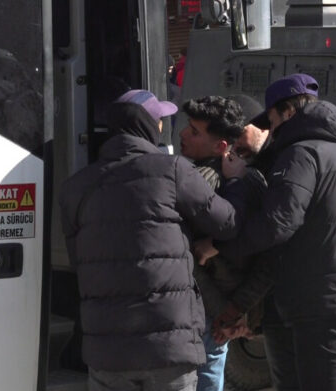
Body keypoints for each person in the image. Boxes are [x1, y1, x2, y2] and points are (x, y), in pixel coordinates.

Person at [197, 74, 336, 391]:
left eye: (270, 120)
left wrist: (218, 246)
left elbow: (278, 222)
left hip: (320, 305)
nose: (269, 129)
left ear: (288, 113)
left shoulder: (301, 155)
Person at [59, 89, 241, 391]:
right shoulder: (171, 169)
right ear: (148, 125)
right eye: (160, 121)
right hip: (169, 347)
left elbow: (78, 261)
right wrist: (234, 180)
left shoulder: (75, 188)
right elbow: (228, 223)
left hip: (107, 350)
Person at [180, 95, 274, 391]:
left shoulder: (198, 184)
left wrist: (226, 313)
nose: (183, 135)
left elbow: (187, 261)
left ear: (221, 145)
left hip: (205, 314)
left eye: (194, 132)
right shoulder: (255, 180)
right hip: (224, 314)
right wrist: (239, 311)